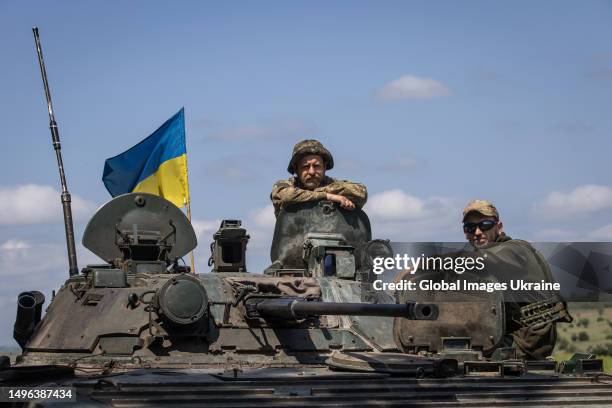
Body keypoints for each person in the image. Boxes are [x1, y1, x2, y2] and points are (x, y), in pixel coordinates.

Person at [462, 199, 572, 360]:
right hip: (508, 336)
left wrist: (420, 266)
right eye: (470, 228)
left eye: (485, 225)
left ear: (498, 227)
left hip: (525, 341)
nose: (477, 232)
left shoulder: (515, 250)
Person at [270, 139, 367, 216]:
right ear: (296, 169)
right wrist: (328, 196)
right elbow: (284, 195)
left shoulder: (331, 184)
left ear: (324, 167)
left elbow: (360, 192)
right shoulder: (287, 185)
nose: (311, 172)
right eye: (305, 167)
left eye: (316, 166)